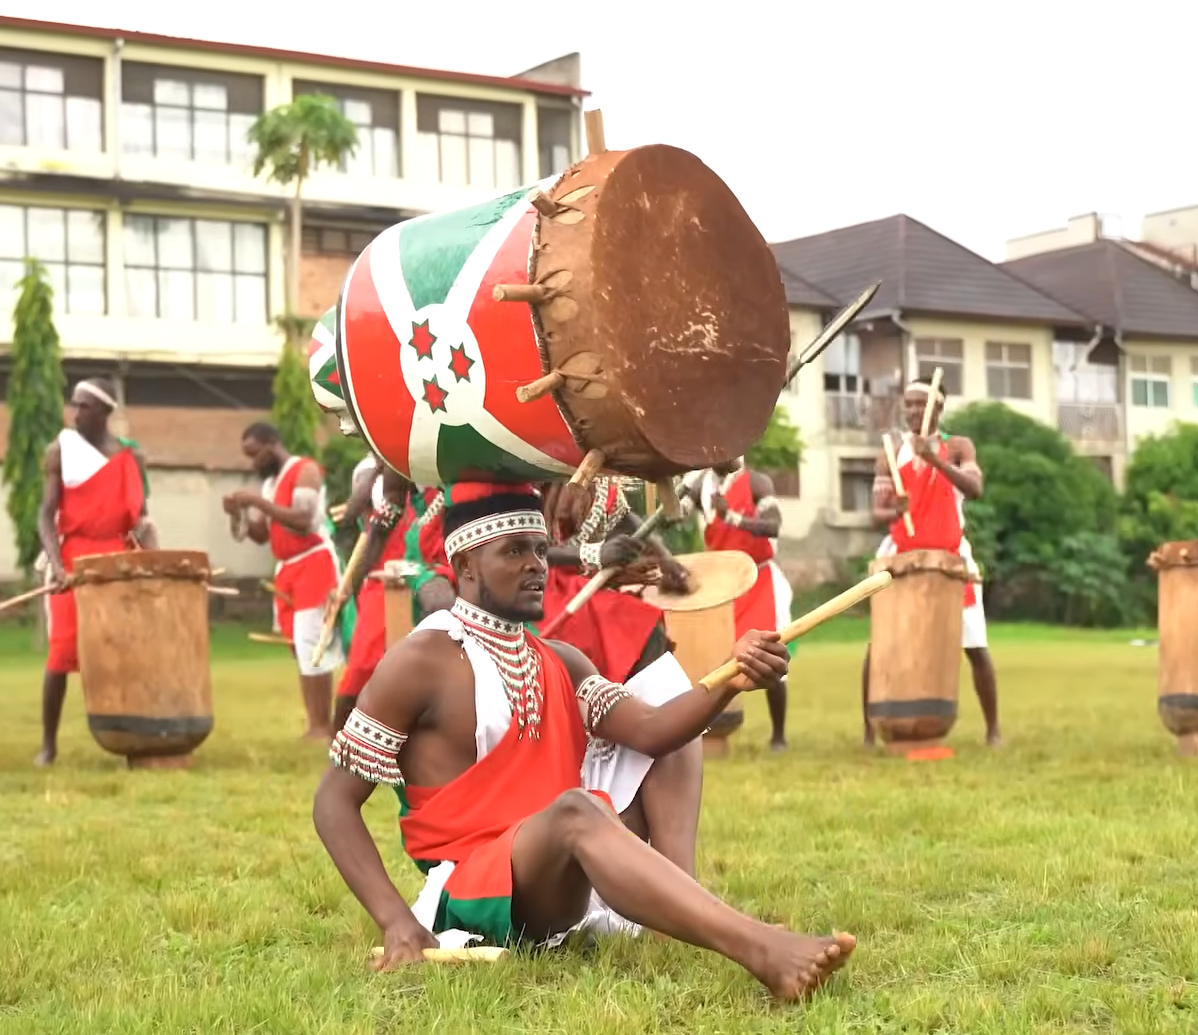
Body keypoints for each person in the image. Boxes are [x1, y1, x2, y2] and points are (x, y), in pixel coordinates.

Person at [311, 481, 853, 1001]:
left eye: (542, 550)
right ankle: (762, 950)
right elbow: (334, 802)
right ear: (466, 565)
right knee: (575, 809)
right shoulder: (418, 660)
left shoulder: (559, 659)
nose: (537, 566)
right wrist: (397, 922)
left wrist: (731, 676)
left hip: (562, 862)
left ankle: (678, 918)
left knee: (666, 722)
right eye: (515, 551)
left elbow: (652, 730)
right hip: (478, 888)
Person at [862, 380, 1002, 747]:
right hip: (901, 555)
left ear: (938, 409)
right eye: (907, 405)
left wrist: (934, 459)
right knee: (881, 642)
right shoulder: (890, 453)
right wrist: (894, 508)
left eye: (920, 405)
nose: (912, 412)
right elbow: (875, 514)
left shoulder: (957, 447)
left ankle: (993, 729)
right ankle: (869, 731)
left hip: (950, 556)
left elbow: (974, 489)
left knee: (974, 642)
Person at [32, 378, 158, 766]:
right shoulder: (61, 450)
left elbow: (140, 519)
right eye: (74, 405)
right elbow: (45, 514)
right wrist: (55, 565)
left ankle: (128, 739)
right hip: (74, 557)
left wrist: (153, 561)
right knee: (61, 653)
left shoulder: (130, 457)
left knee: (122, 650)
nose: (75, 412)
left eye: (84, 406)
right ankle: (49, 744)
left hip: (118, 559)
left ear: (105, 412)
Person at [227, 422, 342, 740]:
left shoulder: (304, 471)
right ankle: (315, 723)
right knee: (299, 646)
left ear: (271, 444)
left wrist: (256, 502)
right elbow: (263, 534)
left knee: (312, 644)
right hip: (289, 568)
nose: (253, 463)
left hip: (314, 563)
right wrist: (238, 513)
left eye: (255, 455)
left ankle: (322, 725)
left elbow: (303, 521)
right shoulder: (270, 485)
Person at [538, 477, 694, 686]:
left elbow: (624, 518)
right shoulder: (536, 474)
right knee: (638, 627)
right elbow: (523, 545)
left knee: (643, 628)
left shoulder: (604, 481)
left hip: (576, 585)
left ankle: (659, 711)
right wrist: (594, 554)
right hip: (541, 587)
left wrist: (664, 557)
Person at [331, 470, 452, 733]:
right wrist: (351, 584)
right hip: (396, 570)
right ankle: (342, 746)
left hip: (449, 560)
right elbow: (369, 520)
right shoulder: (376, 468)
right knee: (365, 665)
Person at [688, 460, 794, 749]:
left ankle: (779, 735)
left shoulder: (757, 483)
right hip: (721, 584)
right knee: (718, 658)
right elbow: (676, 513)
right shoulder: (700, 485)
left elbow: (774, 526)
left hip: (758, 578)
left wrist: (732, 517)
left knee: (768, 654)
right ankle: (712, 732)